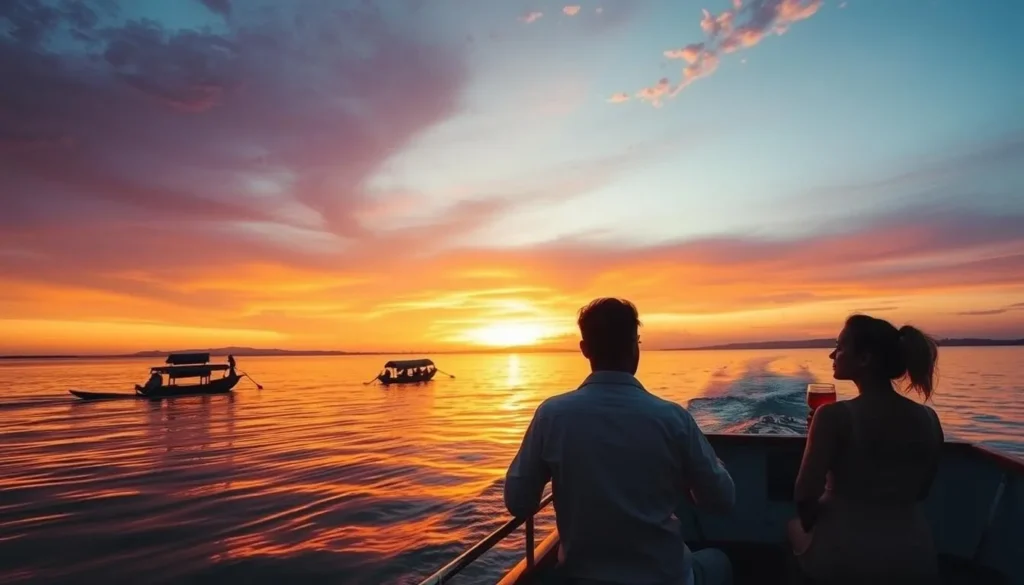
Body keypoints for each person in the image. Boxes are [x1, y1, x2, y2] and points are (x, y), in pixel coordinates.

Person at [504, 298, 736, 585]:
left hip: (581, 577)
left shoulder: (552, 416)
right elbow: (723, 500)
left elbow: (518, 502)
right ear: (635, 346)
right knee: (719, 561)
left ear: (585, 349)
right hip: (664, 578)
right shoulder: (672, 419)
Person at [787, 314, 944, 584]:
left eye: (840, 347)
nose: (832, 354)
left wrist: (815, 523)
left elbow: (804, 497)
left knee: (791, 530)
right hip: (916, 554)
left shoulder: (833, 416)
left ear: (864, 359)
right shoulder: (929, 418)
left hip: (849, 556)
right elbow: (922, 491)